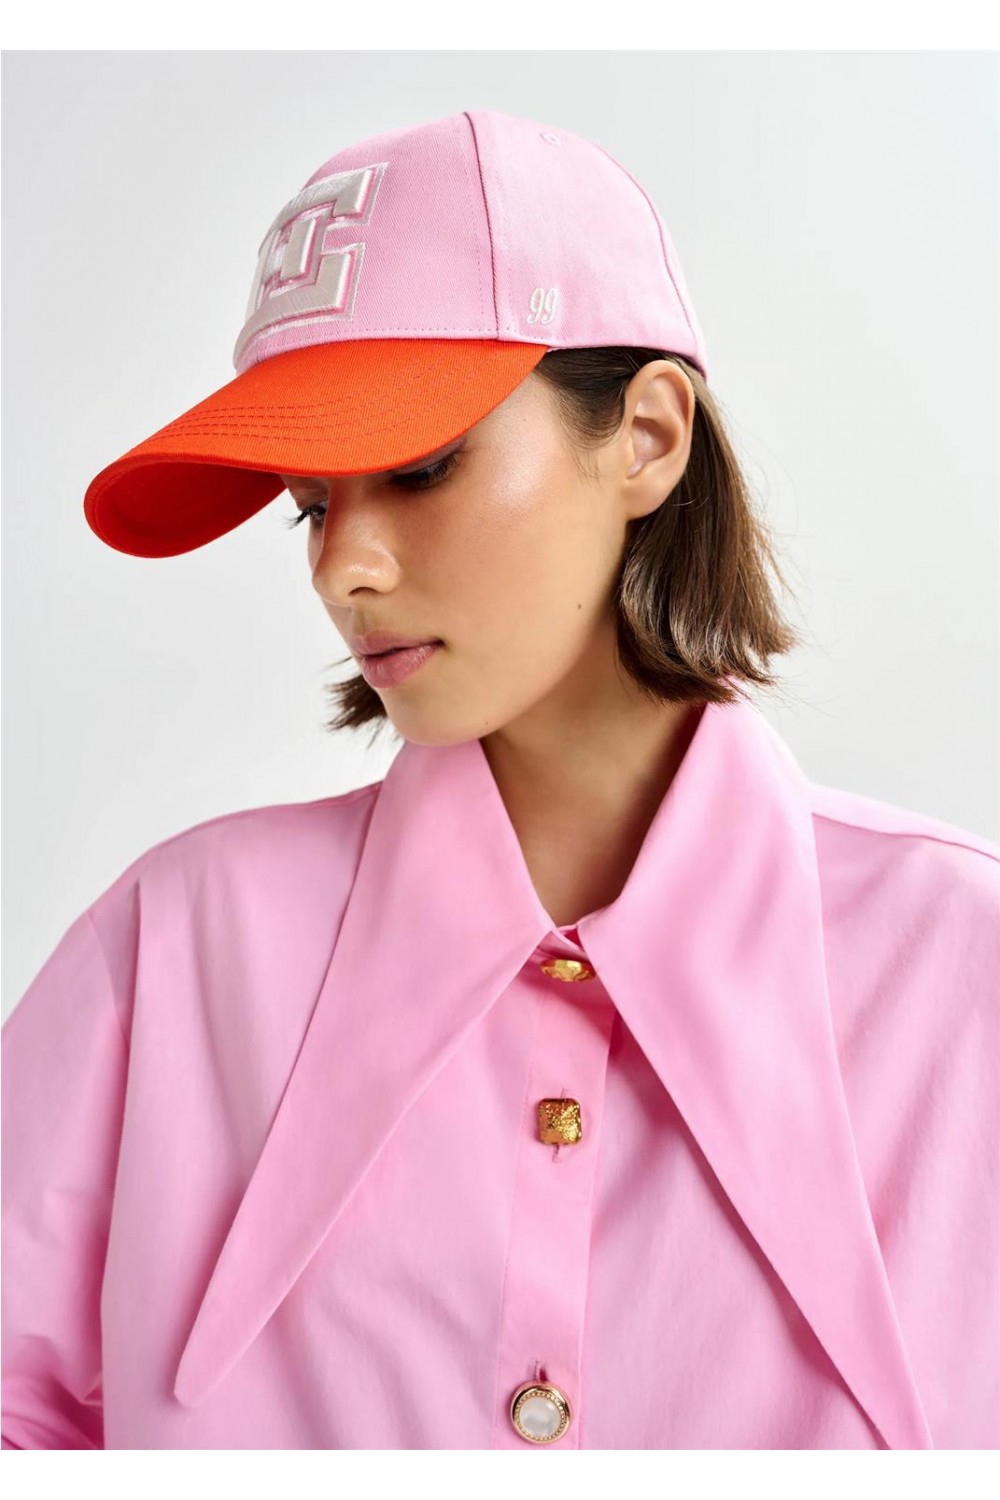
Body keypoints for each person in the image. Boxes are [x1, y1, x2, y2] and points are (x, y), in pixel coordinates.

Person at [2, 108, 997, 1452]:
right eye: (309, 505)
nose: (342, 568)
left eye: (419, 468)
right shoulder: (178, 947)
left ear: (647, 437)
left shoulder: (961, 972)